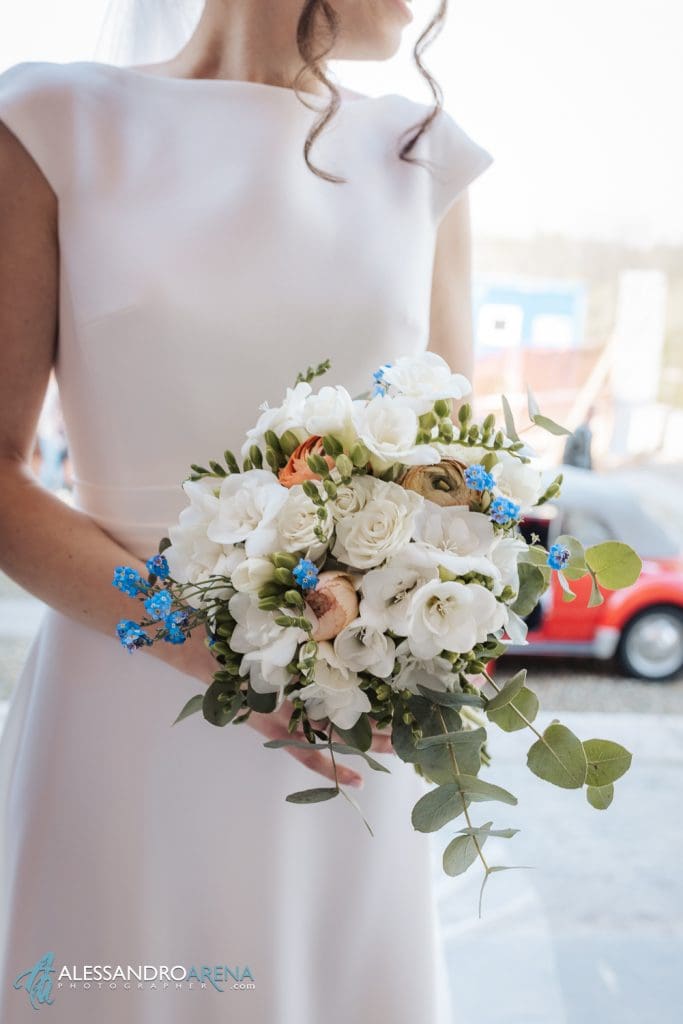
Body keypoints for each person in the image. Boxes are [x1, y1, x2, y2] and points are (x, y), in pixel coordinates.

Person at [0, 1, 493, 1021]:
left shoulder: (421, 158)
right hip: (122, 706)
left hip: (351, 729)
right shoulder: (52, 124)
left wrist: (448, 616)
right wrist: (211, 652)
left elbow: (450, 475)